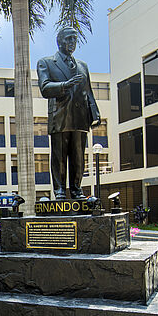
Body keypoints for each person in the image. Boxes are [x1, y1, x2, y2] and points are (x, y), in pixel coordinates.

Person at [37, 27, 101, 200]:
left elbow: (88, 91)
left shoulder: (82, 66)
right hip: (60, 116)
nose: (72, 42)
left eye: (74, 39)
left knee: (78, 156)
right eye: (69, 39)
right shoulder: (46, 62)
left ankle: (76, 189)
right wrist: (66, 84)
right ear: (60, 41)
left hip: (80, 118)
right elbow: (44, 88)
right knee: (59, 156)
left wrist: (94, 112)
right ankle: (59, 190)